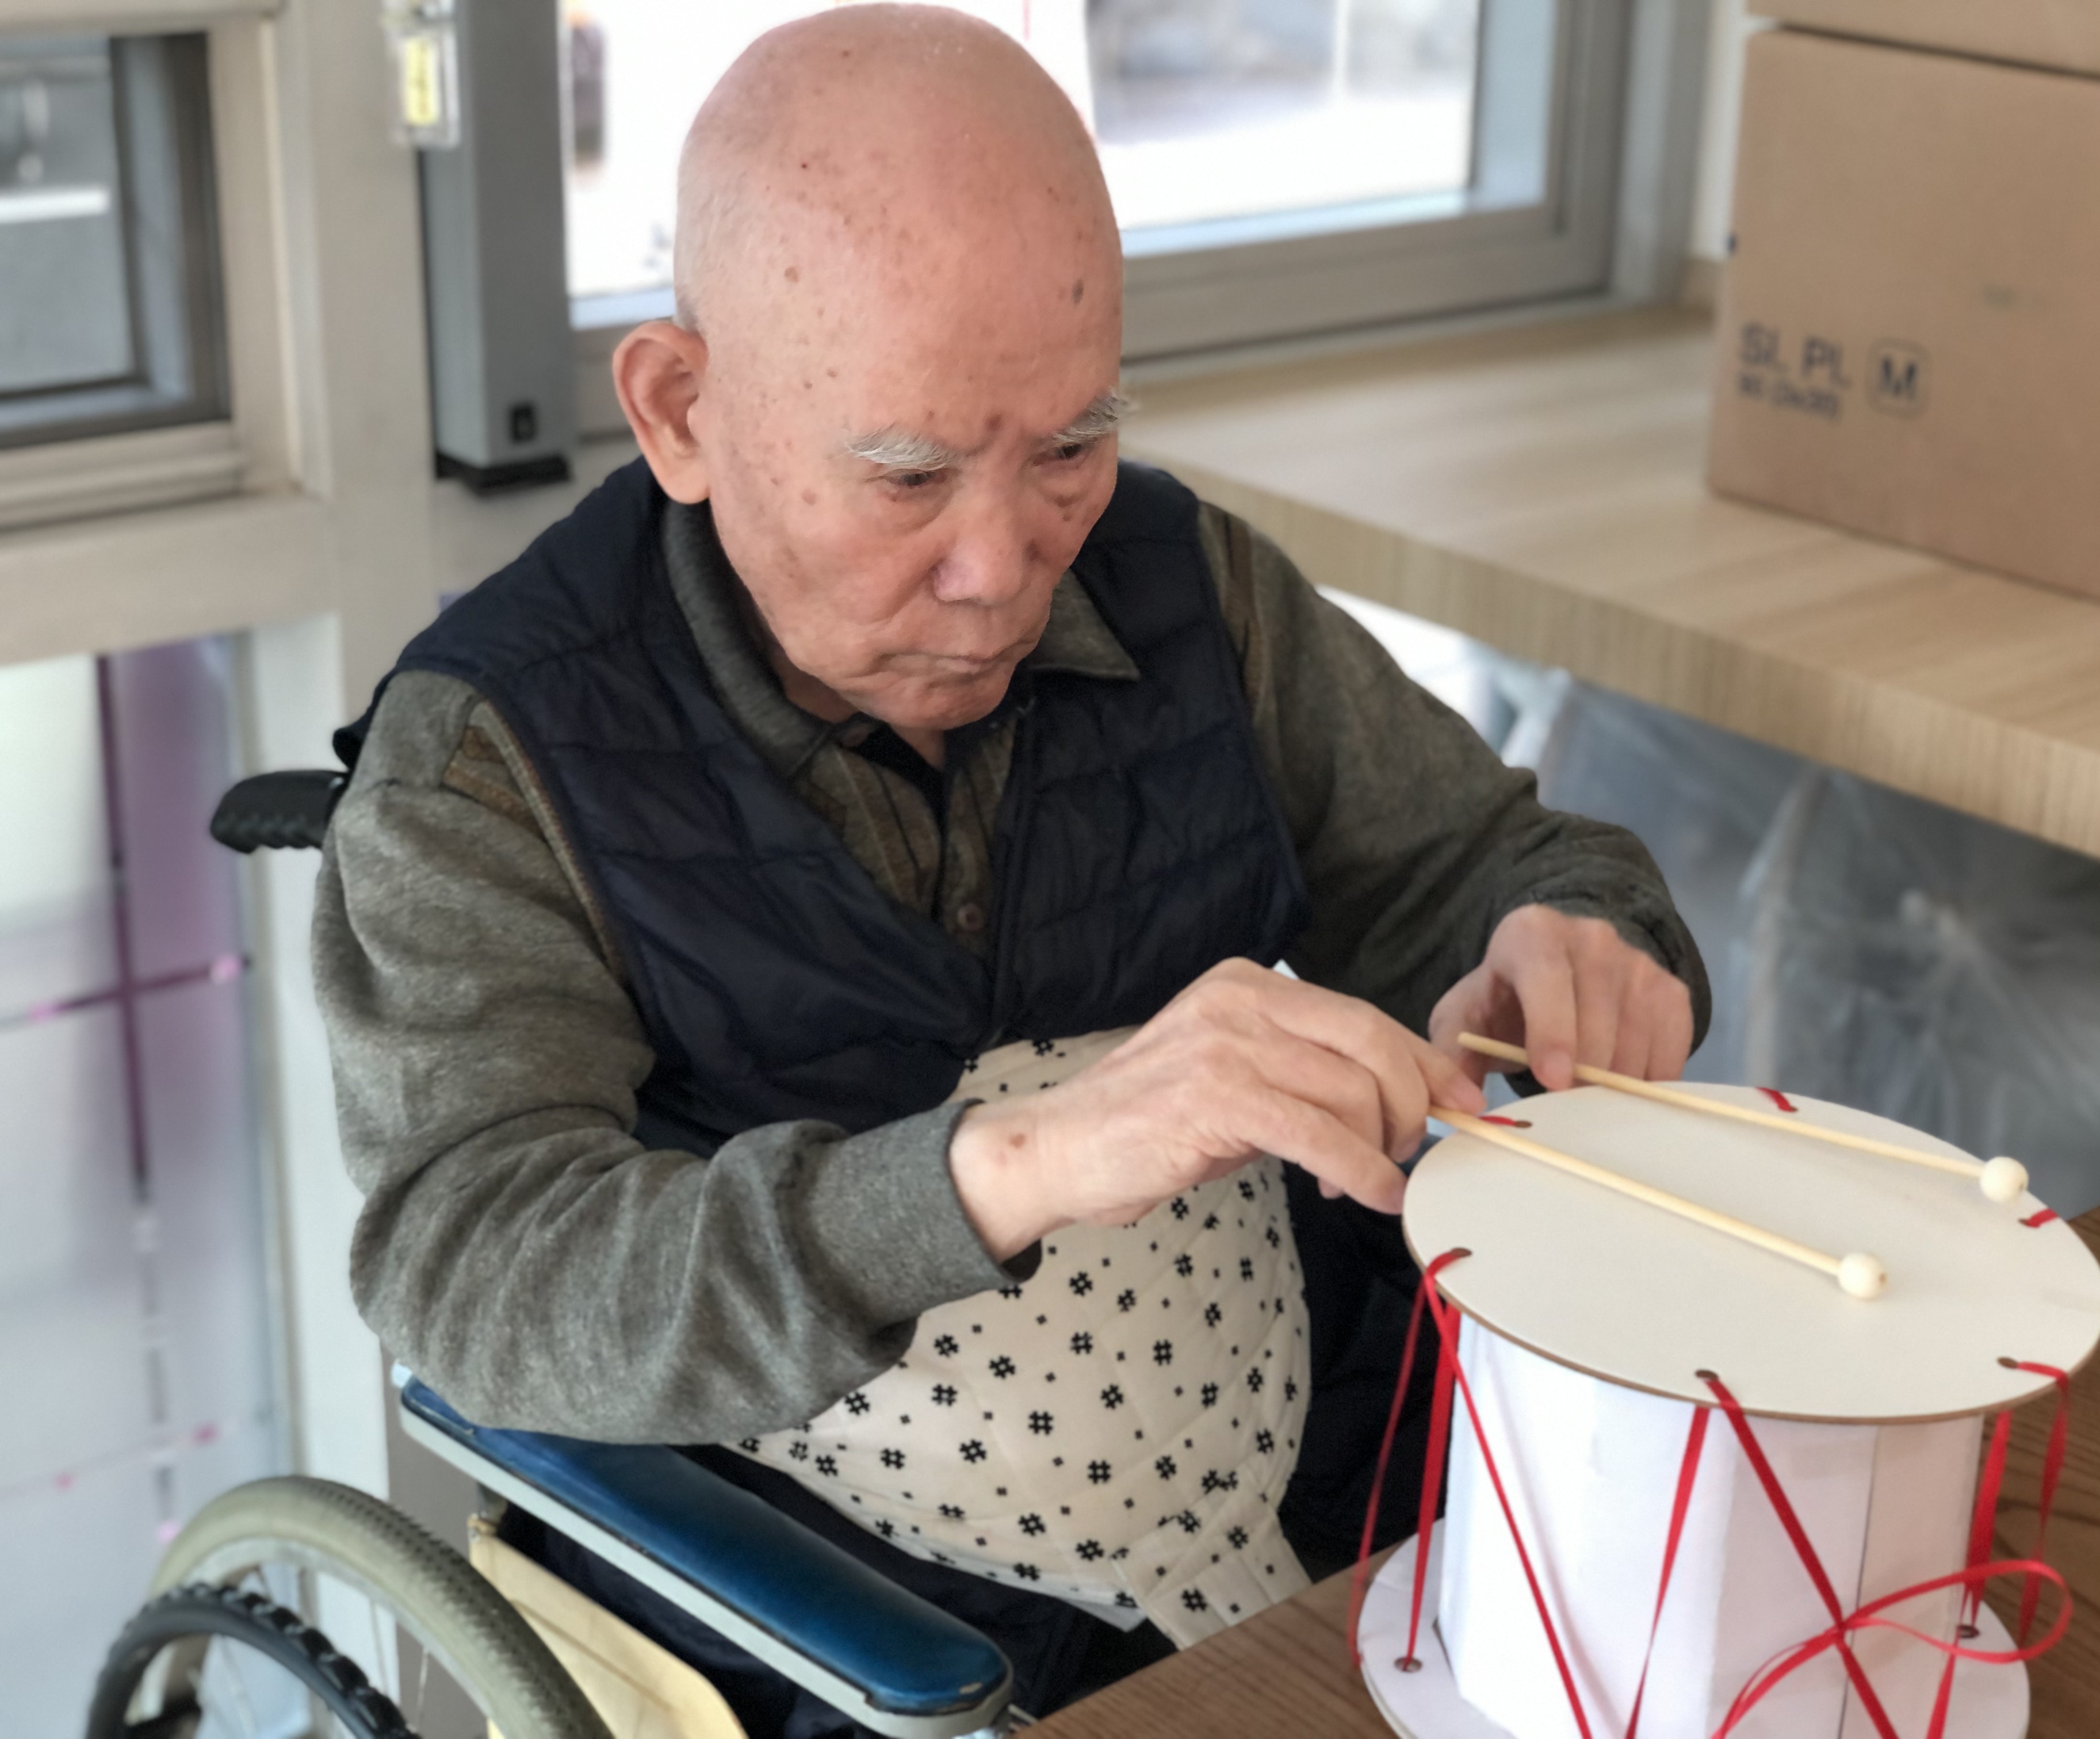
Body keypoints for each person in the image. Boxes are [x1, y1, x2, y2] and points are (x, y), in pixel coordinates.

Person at [316, 7, 1708, 1732]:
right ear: (681, 410)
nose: (1005, 570)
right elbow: (474, 1269)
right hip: (860, 1625)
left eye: (1068, 448)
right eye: (908, 475)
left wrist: (1572, 941)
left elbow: (1489, 858)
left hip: (1326, 1492)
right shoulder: (492, 757)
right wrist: (1007, 1168)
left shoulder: (1184, 583)